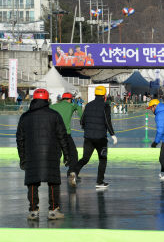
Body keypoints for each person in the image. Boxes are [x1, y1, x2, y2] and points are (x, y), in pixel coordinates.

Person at [16, 89, 70, 220]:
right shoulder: (55, 115)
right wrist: (66, 154)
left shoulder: (25, 116)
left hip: (32, 154)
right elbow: (62, 136)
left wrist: (22, 158)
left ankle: (33, 210)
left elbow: (20, 139)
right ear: (46, 100)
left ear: (34, 99)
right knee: (53, 182)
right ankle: (53, 210)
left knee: (32, 182)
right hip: (51, 153)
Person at [75, 86, 117, 188]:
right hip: (101, 138)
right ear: (104, 95)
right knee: (102, 159)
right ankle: (99, 182)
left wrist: (87, 129)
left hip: (88, 137)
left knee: (85, 158)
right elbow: (107, 122)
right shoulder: (105, 106)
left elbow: (82, 121)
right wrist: (113, 135)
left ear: (95, 94)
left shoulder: (88, 105)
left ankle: (73, 172)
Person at [50, 92, 83, 187]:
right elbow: (78, 108)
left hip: (54, 135)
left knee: (56, 156)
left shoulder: (53, 106)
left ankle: (53, 176)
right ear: (70, 99)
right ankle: (71, 173)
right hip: (65, 135)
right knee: (73, 154)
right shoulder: (71, 105)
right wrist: (82, 119)